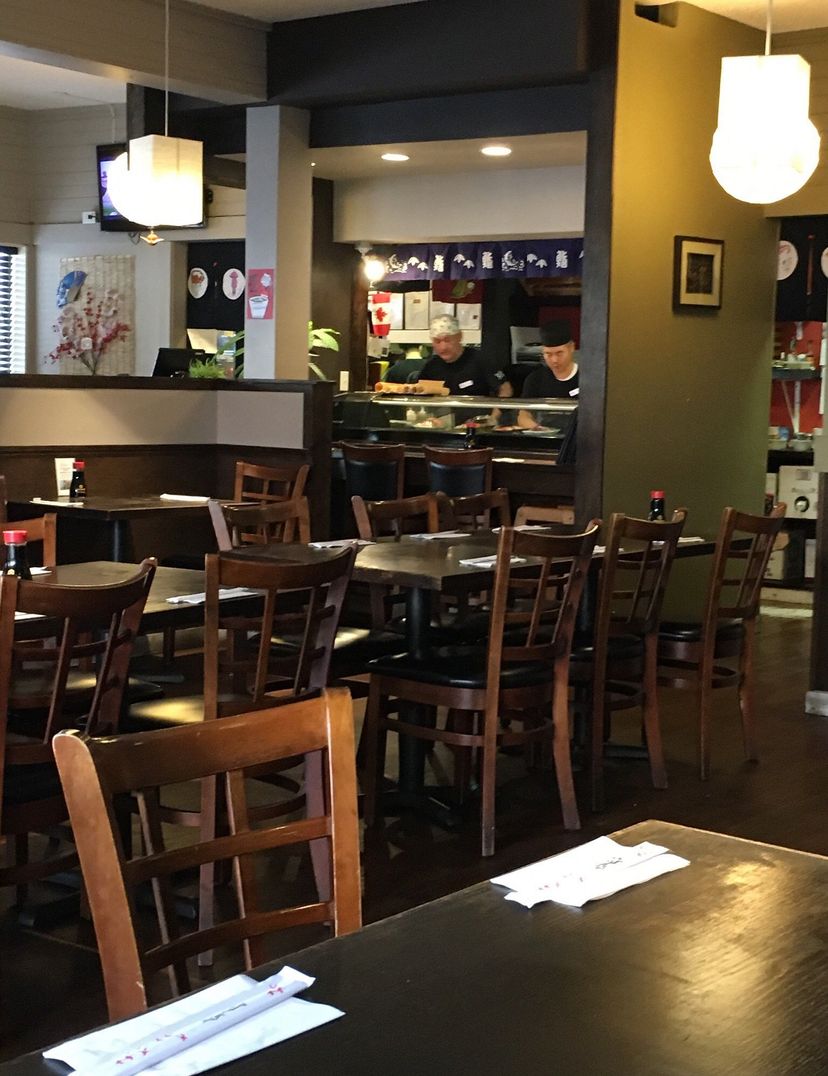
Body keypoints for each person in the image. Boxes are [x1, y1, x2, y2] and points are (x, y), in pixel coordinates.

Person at [517, 321, 579, 430]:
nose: (554, 360)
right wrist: (538, 428)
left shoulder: (586, 378)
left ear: (572, 348)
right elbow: (523, 415)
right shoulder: (535, 379)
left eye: (559, 353)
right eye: (548, 354)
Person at [418, 315, 492, 396]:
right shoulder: (431, 366)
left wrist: (497, 408)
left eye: (447, 340)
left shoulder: (480, 360)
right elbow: (419, 392)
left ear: (459, 336)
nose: (443, 347)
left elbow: (504, 389)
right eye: (437, 341)